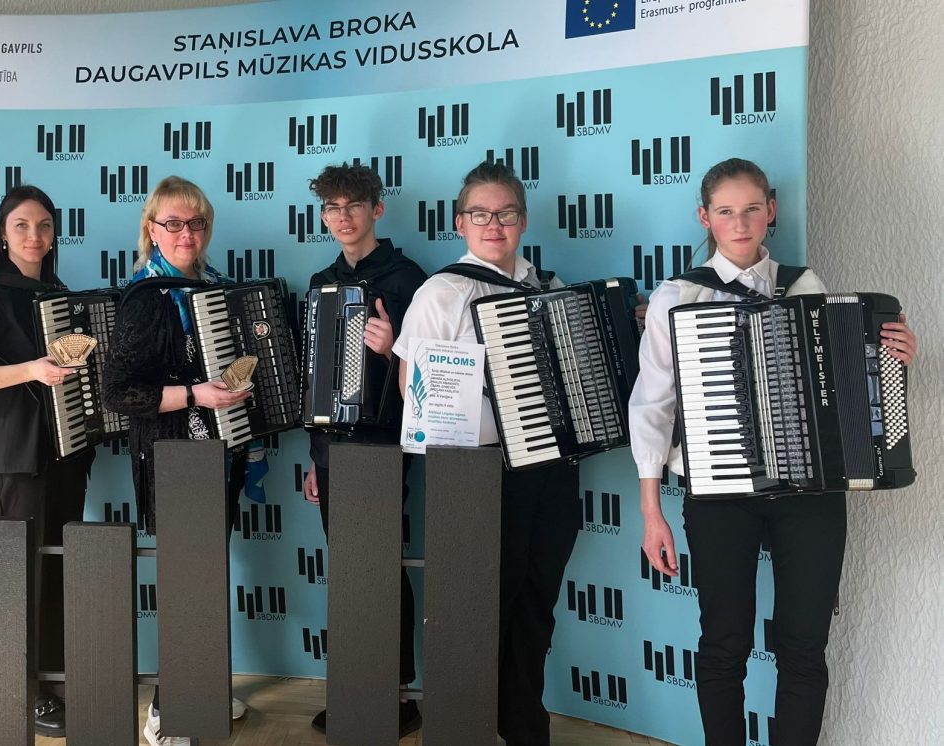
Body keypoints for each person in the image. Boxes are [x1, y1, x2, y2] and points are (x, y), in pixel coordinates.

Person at [629, 157, 918, 746]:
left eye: (752, 209)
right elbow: (653, 404)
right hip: (719, 495)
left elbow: (844, 391)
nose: (739, 223)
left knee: (804, 646)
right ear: (705, 217)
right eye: (726, 211)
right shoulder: (677, 296)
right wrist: (651, 511)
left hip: (809, 493)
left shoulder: (806, 286)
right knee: (723, 643)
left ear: (771, 212)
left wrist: (891, 358)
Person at [392, 161, 583, 746]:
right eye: (480, 214)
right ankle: (467, 730)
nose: (493, 224)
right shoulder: (441, 291)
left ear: (522, 221)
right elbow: (411, 389)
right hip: (479, 472)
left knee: (536, 604)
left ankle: (524, 728)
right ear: (460, 223)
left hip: (549, 468)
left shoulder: (548, 287)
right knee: (480, 610)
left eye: (505, 214)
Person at [100, 175, 253, 746]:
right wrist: (194, 395)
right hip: (172, 457)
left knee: (205, 578)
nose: (186, 233)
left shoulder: (217, 287)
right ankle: (166, 712)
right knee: (186, 583)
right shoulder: (145, 298)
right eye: (173, 223)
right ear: (152, 229)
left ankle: (200, 689)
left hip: (221, 451)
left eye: (196, 223)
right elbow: (118, 393)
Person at [0, 184, 92, 738]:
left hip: (66, 451)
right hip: (19, 455)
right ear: (3, 236)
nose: (35, 235)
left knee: (55, 569)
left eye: (45, 226)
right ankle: (21, 693)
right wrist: (31, 369)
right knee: (20, 576)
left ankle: (50, 684)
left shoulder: (58, 292)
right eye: (22, 225)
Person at [300, 162, 427, 736]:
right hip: (332, 450)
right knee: (349, 572)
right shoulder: (320, 279)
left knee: (380, 569)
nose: (342, 216)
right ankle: (355, 691)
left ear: (377, 209)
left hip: (382, 445)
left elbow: (433, 374)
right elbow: (316, 377)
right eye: (332, 207)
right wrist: (314, 457)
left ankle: (397, 697)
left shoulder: (408, 277)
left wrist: (392, 347)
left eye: (353, 205)